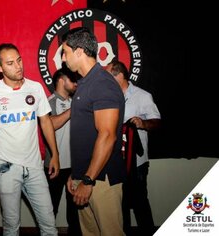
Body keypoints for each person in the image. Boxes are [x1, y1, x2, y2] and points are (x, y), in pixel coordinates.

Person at [0, 43, 59, 236]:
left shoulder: (35, 88)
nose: (18, 66)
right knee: (11, 227)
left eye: (19, 60)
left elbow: (45, 122)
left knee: (49, 225)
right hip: (5, 167)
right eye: (10, 63)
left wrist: (55, 155)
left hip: (35, 166)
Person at [61, 27, 126, 236]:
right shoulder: (86, 84)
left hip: (100, 179)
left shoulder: (102, 84)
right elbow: (86, 136)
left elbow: (107, 136)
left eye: (65, 52)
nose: (63, 59)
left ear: (79, 51)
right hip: (87, 176)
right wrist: (77, 173)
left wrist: (88, 180)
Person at [106, 59, 161, 236]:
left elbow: (157, 122)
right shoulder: (107, 96)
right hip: (114, 160)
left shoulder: (142, 96)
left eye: (108, 75)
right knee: (119, 204)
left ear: (119, 75)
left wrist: (142, 123)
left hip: (137, 162)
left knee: (140, 203)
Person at [44, 64, 82, 236]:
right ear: (61, 80)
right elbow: (49, 124)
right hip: (54, 165)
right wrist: (70, 112)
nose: (76, 83)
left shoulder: (75, 102)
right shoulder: (48, 101)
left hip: (75, 166)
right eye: (72, 80)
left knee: (75, 212)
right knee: (50, 209)